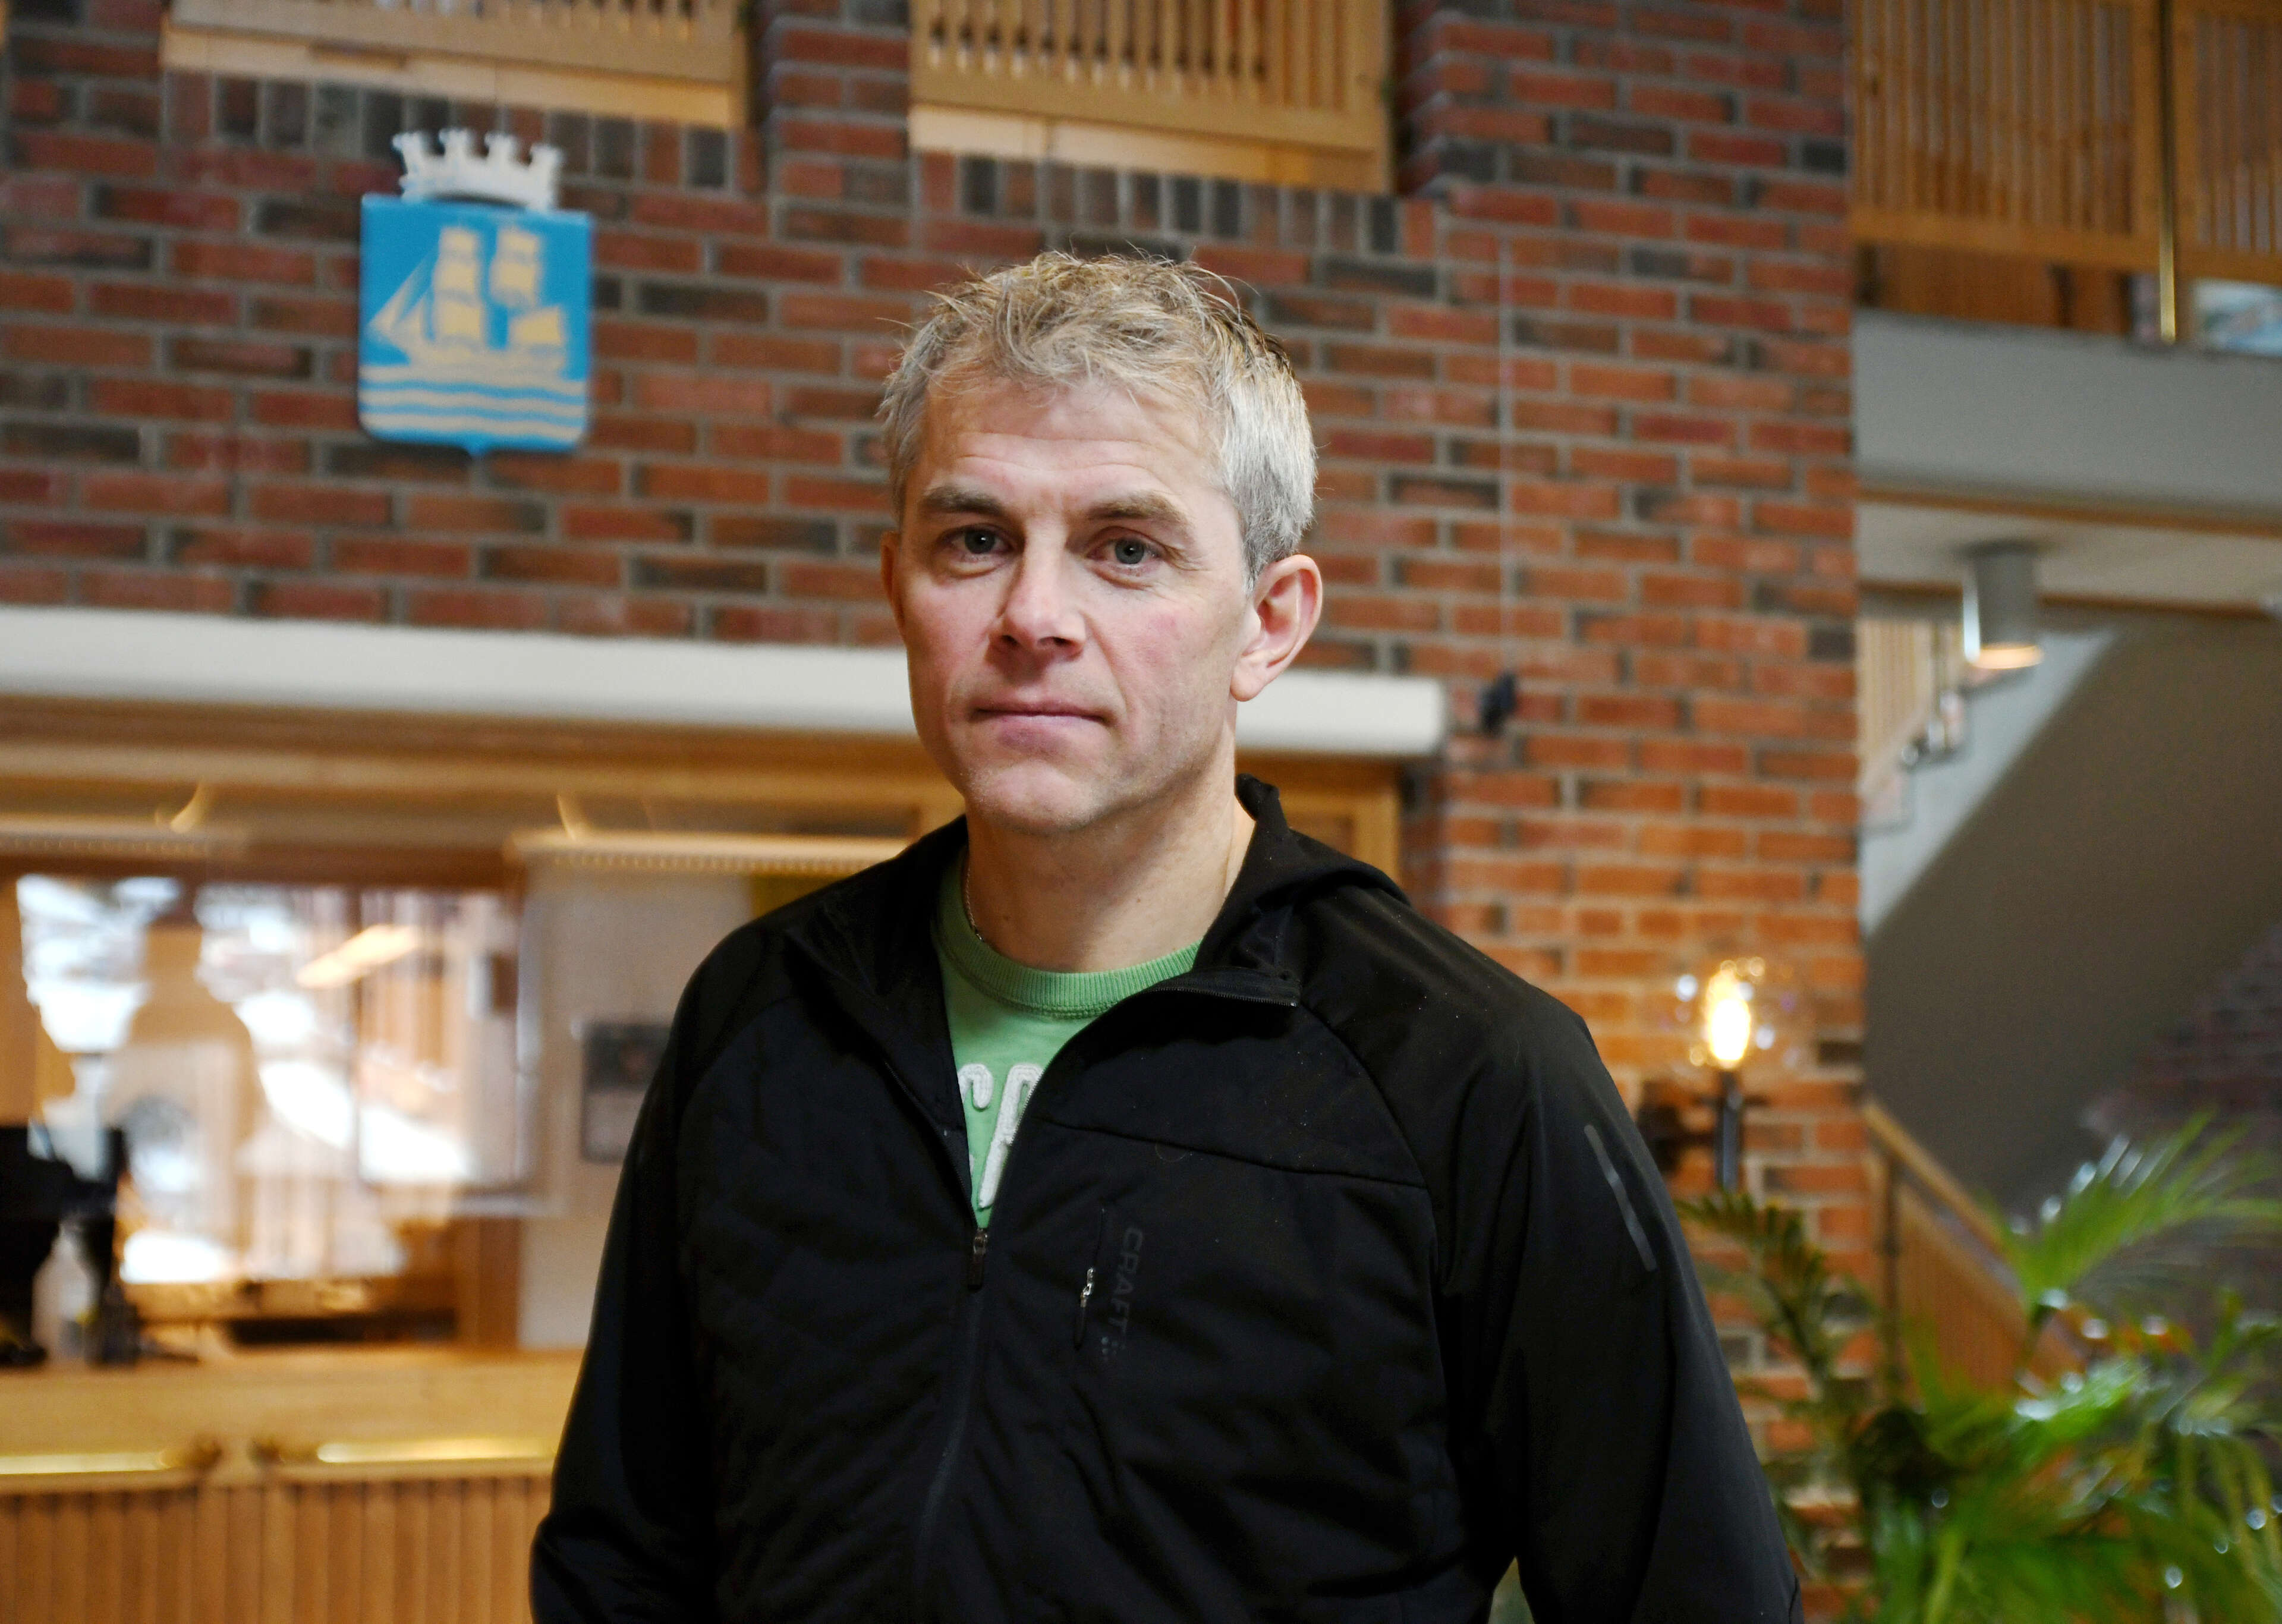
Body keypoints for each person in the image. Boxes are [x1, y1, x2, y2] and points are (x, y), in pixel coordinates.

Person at [532, 253, 1797, 1624]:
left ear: (1267, 622)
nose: (1032, 616)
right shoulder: (763, 1015)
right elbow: (622, 1566)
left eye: (1125, 549)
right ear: (899, 584)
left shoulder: (1468, 1079)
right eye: (975, 541)